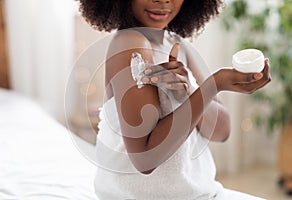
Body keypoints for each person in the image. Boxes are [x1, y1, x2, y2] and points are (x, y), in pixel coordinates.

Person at [77, 0, 271, 199]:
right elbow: (145, 159)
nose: (163, 1)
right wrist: (213, 85)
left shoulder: (176, 43)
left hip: (201, 193)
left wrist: (190, 92)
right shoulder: (130, 43)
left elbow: (221, 131)